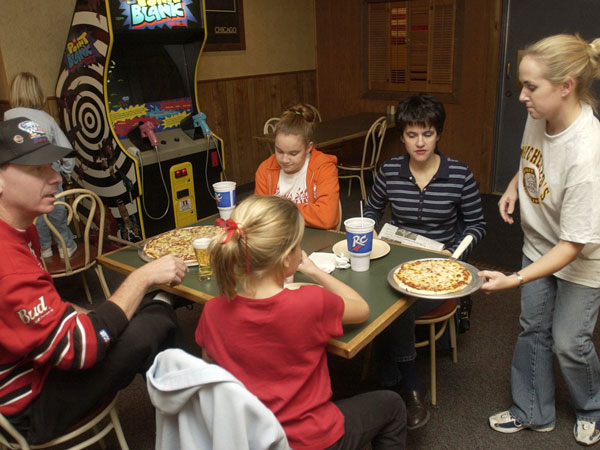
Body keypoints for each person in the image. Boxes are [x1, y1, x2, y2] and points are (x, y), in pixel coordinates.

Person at [0, 117, 189, 444]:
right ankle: (187, 415)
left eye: (51, 166)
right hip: (32, 405)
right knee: (155, 320)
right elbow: (78, 349)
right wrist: (142, 277)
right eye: (36, 170)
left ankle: (180, 408)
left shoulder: (22, 228)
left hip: (39, 361)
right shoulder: (7, 263)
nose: (56, 178)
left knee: (140, 308)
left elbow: (47, 310)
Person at [195, 195, 406, 450]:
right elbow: (361, 309)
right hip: (309, 441)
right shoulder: (310, 302)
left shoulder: (212, 310)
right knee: (393, 406)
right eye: (298, 245)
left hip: (249, 438)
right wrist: (314, 271)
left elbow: (211, 370)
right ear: (287, 259)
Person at [479, 34, 600, 447]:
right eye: (522, 85)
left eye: (531, 87)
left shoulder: (588, 151)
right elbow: (534, 156)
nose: (522, 97)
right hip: (539, 241)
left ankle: (592, 407)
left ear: (566, 86)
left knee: (569, 341)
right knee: (533, 328)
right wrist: (515, 183)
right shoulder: (539, 113)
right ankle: (533, 411)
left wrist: (516, 279)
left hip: (582, 257)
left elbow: (573, 247)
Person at [364, 93, 487, 429]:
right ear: (401, 136)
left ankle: (407, 386)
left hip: (440, 272)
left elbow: (477, 225)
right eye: (412, 135)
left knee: (397, 305)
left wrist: (455, 255)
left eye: (428, 133)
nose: (420, 143)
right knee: (374, 290)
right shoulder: (389, 170)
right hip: (396, 259)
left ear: (438, 134)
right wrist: (371, 230)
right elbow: (373, 210)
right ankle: (392, 381)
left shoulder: (459, 174)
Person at [4, 72, 77, 259]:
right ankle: (65, 246)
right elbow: (67, 152)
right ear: (37, 92)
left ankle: (43, 247)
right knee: (56, 209)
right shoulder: (46, 118)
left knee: (36, 216)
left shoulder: (7, 118)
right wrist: (67, 174)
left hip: (21, 176)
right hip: (49, 167)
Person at [255, 103, 340, 229]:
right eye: (279, 151)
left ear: (308, 148)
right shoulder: (265, 169)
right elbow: (258, 214)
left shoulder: (323, 168)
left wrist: (278, 209)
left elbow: (327, 218)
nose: (284, 159)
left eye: (293, 153)